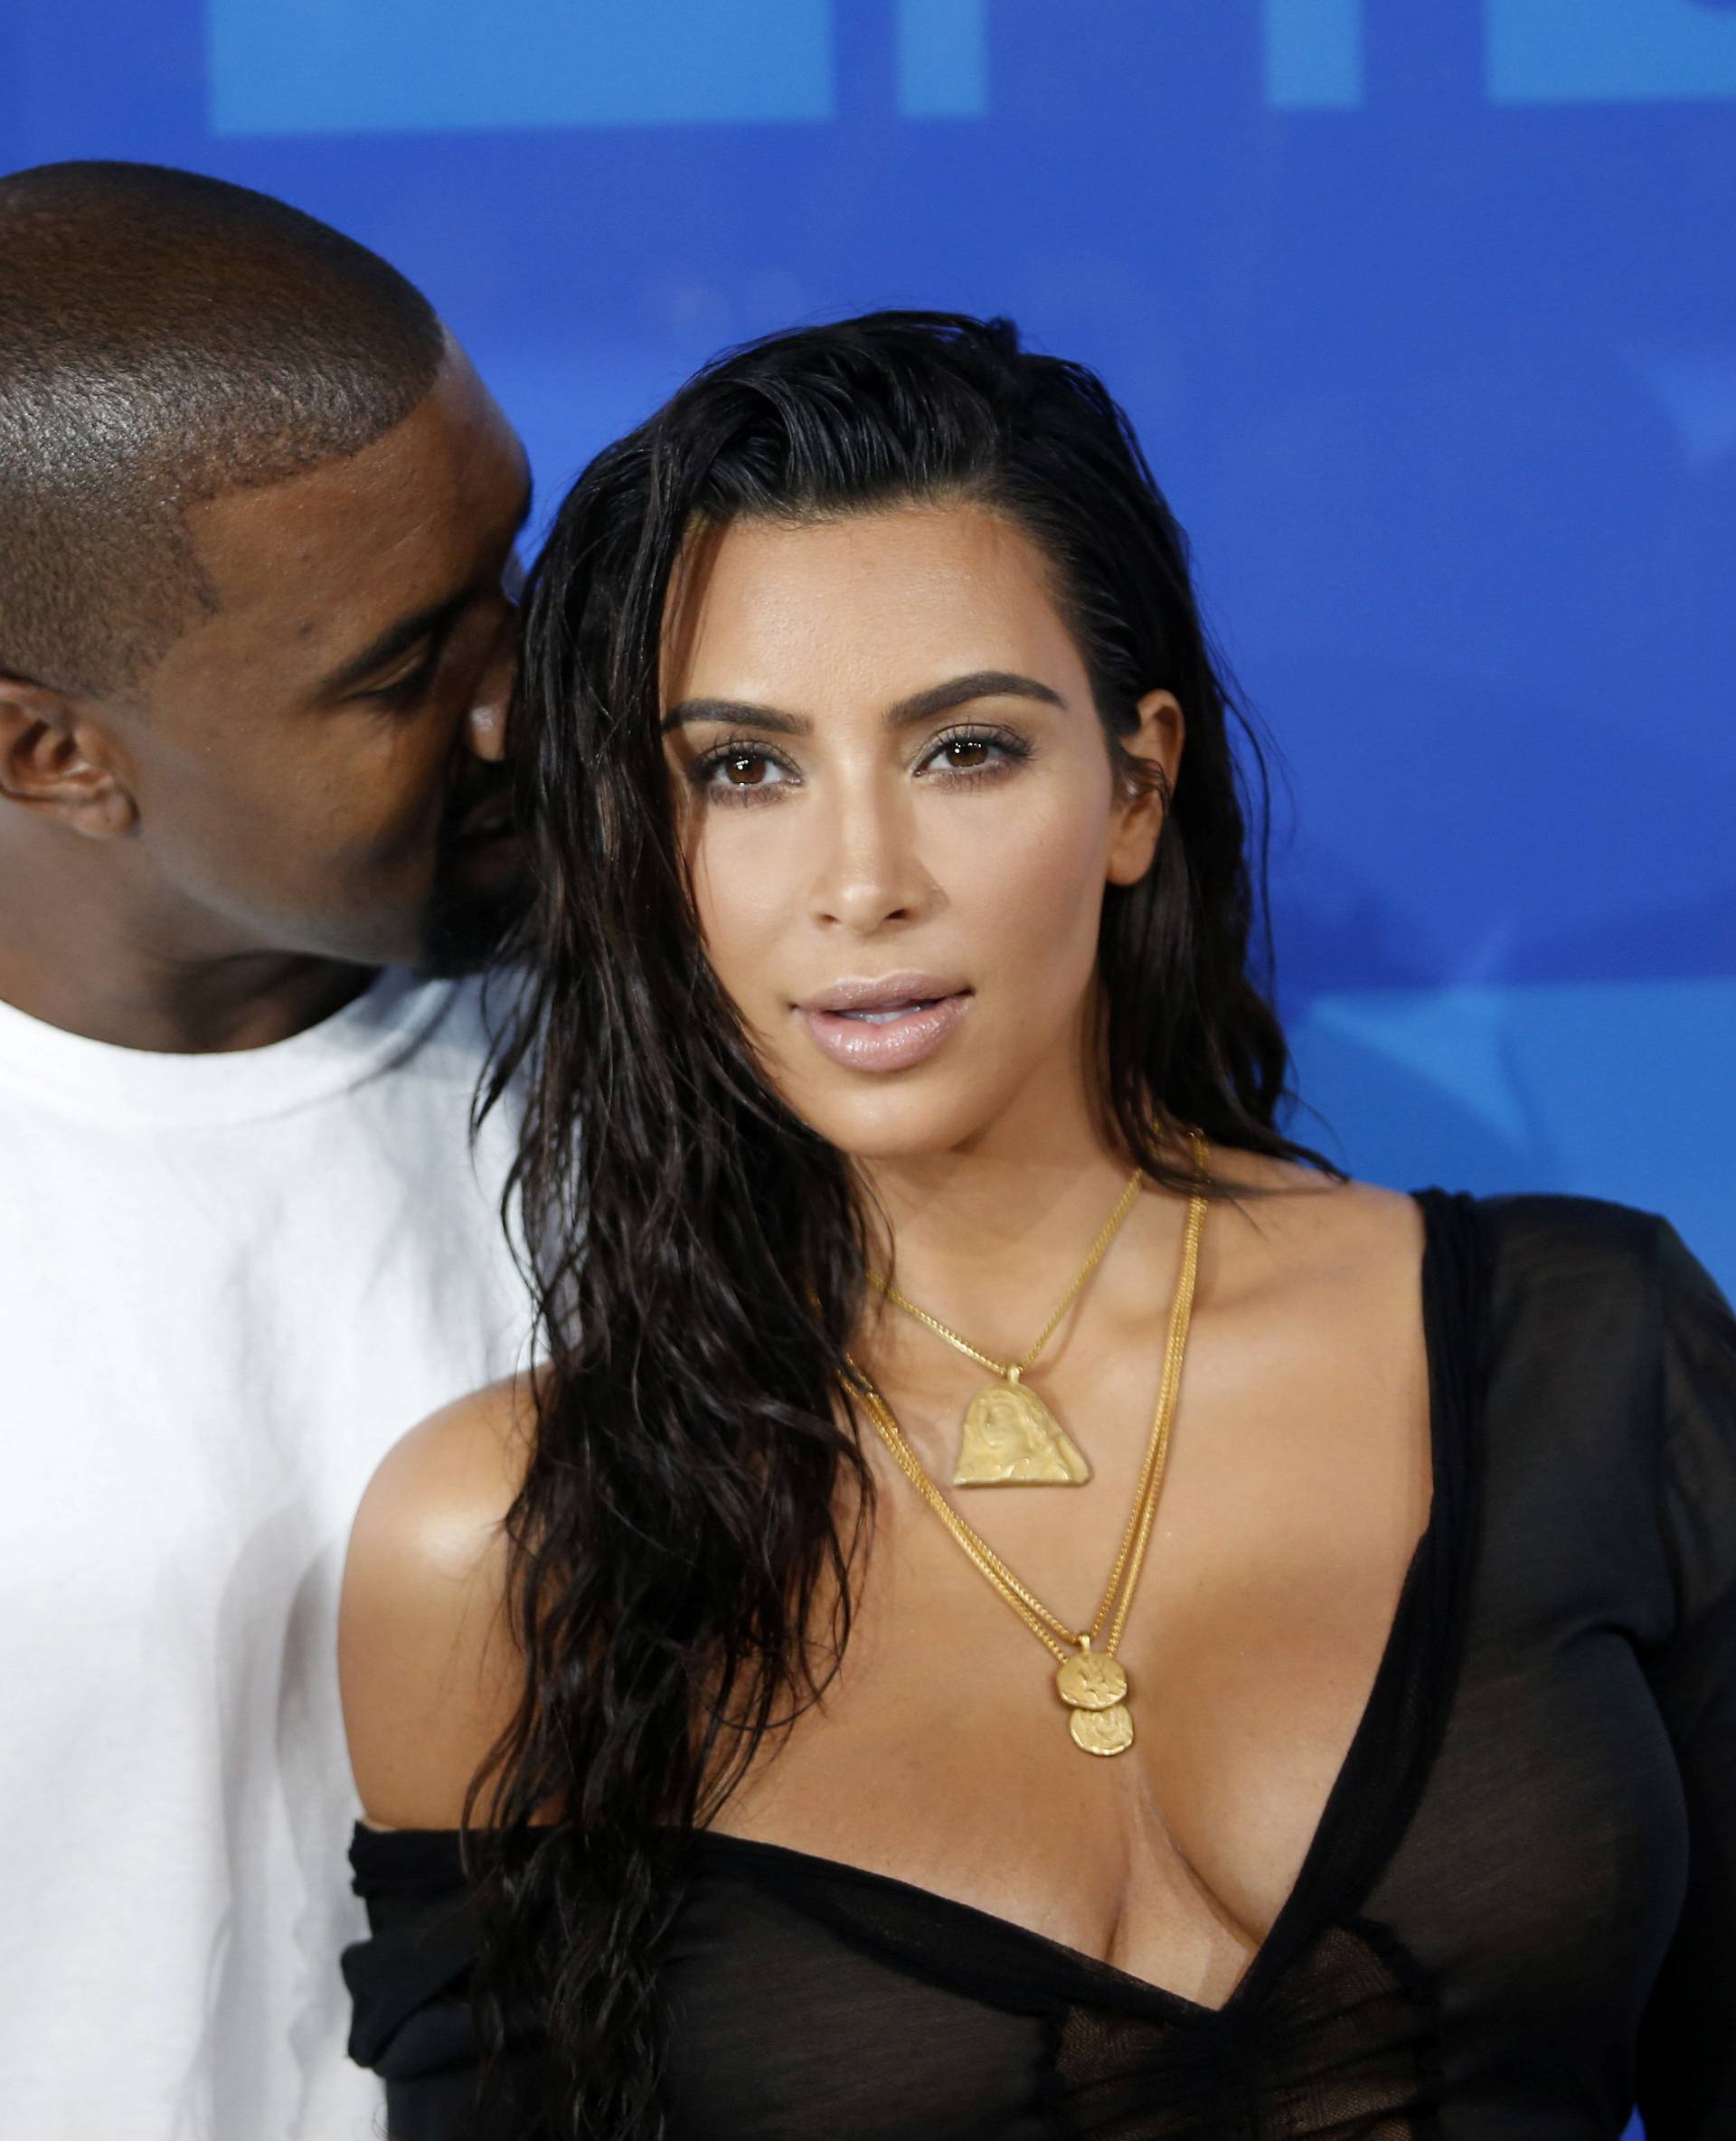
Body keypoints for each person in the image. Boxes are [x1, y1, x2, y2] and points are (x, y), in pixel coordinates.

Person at [339, 312, 1736, 2139]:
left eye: (967, 749)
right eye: (745, 769)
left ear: (1136, 787)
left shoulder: (1587, 1347)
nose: (862, 882)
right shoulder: (502, 1542)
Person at [0, 162, 533, 2138]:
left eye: (519, 572)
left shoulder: (736, 1044)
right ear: (53, 752)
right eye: (405, 673)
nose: (523, 703)